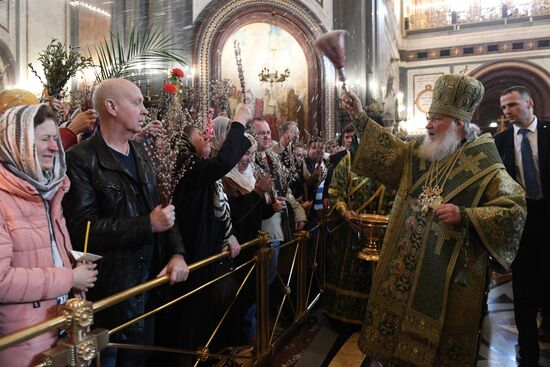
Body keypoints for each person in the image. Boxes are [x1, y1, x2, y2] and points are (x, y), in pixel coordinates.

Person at [343, 73, 526, 367]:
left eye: (436, 118)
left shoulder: (484, 162)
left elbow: (513, 208)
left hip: (450, 275)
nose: (428, 124)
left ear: (459, 124)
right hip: (403, 265)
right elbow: (388, 152)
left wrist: (465, 215)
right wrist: (359, 116)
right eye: (429, 117)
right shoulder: (420, 152)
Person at [62, 78, 189, 367]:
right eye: (137, 102)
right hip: (109, 294)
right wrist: (147, 226)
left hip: (146, 288)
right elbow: (82, 230)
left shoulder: (141, 154)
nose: (145, 110)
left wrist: (177, 253)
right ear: (111, 107)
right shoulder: (80, 159)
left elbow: (163, 209)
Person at [0, 104, 97, 367]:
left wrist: (75, 266)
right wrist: (69, 278)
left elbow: (47, 251)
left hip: (62, 329)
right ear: (17, 143)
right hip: (24, 342)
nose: (55, 147)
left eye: (55, 138)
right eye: (45, 139)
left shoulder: (49, 189)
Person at [171, 105, 252, 362]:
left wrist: (228, 236)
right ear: (185, 141)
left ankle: (211, 353)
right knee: (193, 317)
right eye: (199, 135)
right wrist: (238, 122)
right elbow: (223, 163)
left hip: (210, 248)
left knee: (209, 312)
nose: (206, 138)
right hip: (194, 250)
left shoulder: (197, 164)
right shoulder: (186, 163)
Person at [495, 85, 550, 366]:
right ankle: (527, 349)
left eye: (513, 105)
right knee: (524, 288)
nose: (508, 112)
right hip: (521, 222)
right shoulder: (500, 141)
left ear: (530, 104)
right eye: (504, 107)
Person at [323, 144, 394, 329]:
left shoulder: (392, 161)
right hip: (349, 232)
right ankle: (340, 315)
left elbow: (398, 196)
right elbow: (335, 191)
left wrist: (385, 221)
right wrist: (344, 213)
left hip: (381, 232)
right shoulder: (348, 158)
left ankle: (371, 316)